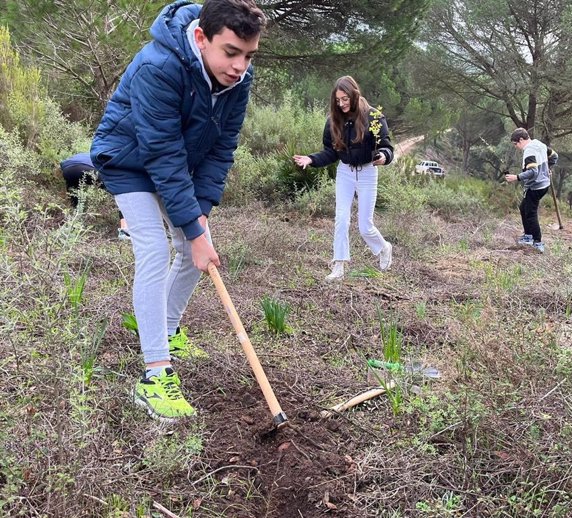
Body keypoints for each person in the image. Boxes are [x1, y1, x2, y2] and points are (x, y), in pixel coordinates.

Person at [90, 0, 266, 421]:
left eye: (248, 55)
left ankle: (165, 329)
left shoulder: (238, 79)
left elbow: (222, 148)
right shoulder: (159, 65)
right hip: (128, 159)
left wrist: (199, 213)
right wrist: (191, 226)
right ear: (202, 38)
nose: (240, 66)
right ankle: (154, 376)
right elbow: (161, 153)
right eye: (230, 52)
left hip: (176, 164)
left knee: (198, 250)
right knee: (154, 248)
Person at [293, 76, 395, 281]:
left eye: (345, 99)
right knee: (341, 219)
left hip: (367, 172)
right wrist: (311, 159)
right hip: (345, 172)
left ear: (354, 95)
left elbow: (386, 145)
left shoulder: (374, 117)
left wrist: (383, 156)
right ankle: (338, 266)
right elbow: (331, 153)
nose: (341, 104)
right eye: (338, 100)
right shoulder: (333, 120)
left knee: (365, 226)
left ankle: (384, 248)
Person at [505, 128, 558, 253]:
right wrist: (547, 168)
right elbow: (554, 156)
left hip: (535, 186)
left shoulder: (529, 150)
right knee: (524, 208)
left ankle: (538, 243)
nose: (516, 147)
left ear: (521, 140)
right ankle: (528, 236)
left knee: (531, 213)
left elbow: (533, 172)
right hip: (544, 184)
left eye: (515, 144)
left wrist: (516, 177)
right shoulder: (540, 144)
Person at [60, 153, 131, 240]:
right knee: (120, 193)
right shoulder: (103, 157)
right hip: (89, 168)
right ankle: (124, 230)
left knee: (75, 196)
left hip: (68, 170)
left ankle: (74, 223)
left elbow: (62, 164)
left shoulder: (81, 155)